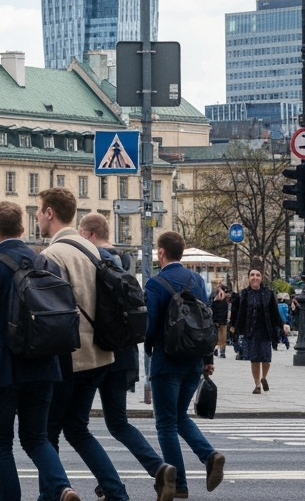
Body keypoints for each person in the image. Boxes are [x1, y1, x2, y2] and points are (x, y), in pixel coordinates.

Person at [0, 201, 81, 501]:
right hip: (43, 364)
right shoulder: (46, 263)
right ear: (23, 229)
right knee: (37, 438)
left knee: (0, 444)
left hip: (0, 369)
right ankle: (63, 487)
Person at [79, 214, 176, 501]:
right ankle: (157, 467)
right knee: (118, 422)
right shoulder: (124, 262)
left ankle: (108, 481)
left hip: (97, 353)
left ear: (88, 234)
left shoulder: (91, 261)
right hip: (123, 355)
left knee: (75, 426)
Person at [37, 188, 125, 501]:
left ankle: (53, 494)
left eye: (39, 211)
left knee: (46, 433)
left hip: (69, 358)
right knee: (77, 428)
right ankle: (116, 492)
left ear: (49, 213)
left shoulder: (52, 255)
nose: (37, 217)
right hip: (100, 355)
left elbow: (51, 312)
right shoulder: (93, 250)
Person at [146, 232, 226, 498]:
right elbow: (205, 320)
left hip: (167, 361)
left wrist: (146, 347)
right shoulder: (197, 280)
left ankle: (178, 483)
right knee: (179, 416)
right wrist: (208, 359)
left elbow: (150, 326)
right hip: (194, 361)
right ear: (181, 253)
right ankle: (209, 455)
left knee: (166, 423)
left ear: (161, 253)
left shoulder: (155, 283)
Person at [233, 269, 282, 394]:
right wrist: (235, 327)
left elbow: (274, 312)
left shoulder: (268, 293)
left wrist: (280, 326)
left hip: (265, 329)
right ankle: (257, 385)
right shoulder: (243, 294)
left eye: (258, 275)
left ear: (261, 278)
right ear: (249, 278)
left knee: (266, 357)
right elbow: (237, 312)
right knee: (254, 358)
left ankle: (264, 377)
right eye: (252, 275)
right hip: (251, 330)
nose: (255, 277)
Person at [211, 284, 230, 359]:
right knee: (223, 335)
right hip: (223, 320)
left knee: (216, 334)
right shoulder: (225, 299)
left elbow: (212, 308)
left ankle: (216, 348)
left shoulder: (215, 298)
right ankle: (222, 351)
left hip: (216, 319)